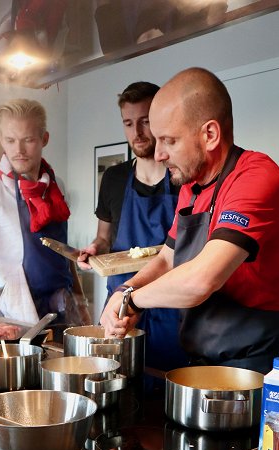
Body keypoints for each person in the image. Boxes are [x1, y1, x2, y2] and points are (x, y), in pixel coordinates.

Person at [100, 67, 279, 375]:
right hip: (199, 362)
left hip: (252, 368)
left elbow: (202, 279)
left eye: (169, 140)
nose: (159, 154)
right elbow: (167, 258)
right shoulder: (191, 187)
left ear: (210, 134)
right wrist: (124, 289)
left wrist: (133, 301)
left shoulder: (256, 177)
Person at [0, 98, 84, 326]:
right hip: (20, 312)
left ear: (44, 139)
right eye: (10, 140)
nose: (18, 150)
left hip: (64, 306)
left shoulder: (54, 186)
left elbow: (64, 252)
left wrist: (80, 301)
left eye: (28, 139)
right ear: (1, 140)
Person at [78, 81, 188, 370]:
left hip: (172, 309)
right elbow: (104, 237)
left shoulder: (182, 178)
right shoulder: (114, 178)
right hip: (121, 307)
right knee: (114, 378)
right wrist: (94, 249)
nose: (136, 133)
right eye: (128, 123)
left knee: (166, 385)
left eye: (145, 122)